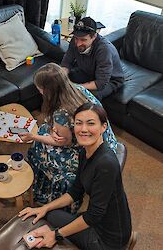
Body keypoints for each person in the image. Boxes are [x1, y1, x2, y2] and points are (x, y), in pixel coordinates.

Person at [19, 103, 132, 250]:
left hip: (109, 238)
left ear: (103, 127)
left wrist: (56, 235)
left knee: (53, 229)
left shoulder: (106, 164)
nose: (83, 129)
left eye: (90, 123)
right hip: (98, 220)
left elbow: (93, 215)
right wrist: (45, 208)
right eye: (79, 123)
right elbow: (76, 191)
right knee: (50, 214)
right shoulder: (85, 152)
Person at [19, 63, 117, 211]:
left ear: (47, 90)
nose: (38, 90)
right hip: (104, 139)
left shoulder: (61, 112)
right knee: (45, 129)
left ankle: (44, 193)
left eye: (39, 88)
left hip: (91, 152)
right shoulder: (78, 89)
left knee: (38, 147)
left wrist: (32, 136)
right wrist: (54, 128)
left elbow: (62, 142)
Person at [61, 17, 124, 100]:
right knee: (62, 80)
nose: (78, 44)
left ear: (94, 36)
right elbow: (67, 62)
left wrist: (76, 88)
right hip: (88, 71)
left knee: (88, 96)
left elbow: (100, 83)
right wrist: (61, 77)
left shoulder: (104, 50)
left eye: (83, 40)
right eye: (76, 38)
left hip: (110, 80)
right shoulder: (74, 41)